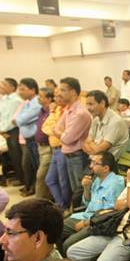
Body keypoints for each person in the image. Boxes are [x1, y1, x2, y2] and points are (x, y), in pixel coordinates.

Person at [60, 152, 125, 254]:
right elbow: (88, 203)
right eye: (91, 162)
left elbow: (109, 214)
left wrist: (86, 223)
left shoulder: (115, 184)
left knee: (68, 244)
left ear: (105, 168)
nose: (90, 166)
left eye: (95, 163)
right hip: (85, 216)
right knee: (56, 227)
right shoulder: (98, 179)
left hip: (97, 224)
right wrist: (86, 188)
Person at [52, 77, 92, 207]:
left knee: (80, 191)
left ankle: (81, 215)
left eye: (63, 90)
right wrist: (62, 133)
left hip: (78, 156)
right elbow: (56, 127)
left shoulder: (80, 113)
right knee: (75, 190)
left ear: (73, 92)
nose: (59, 93)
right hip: (69, 155)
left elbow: (67, 139)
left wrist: (61, 134)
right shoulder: (69, 109)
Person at [44, 87, 72, 209]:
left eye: (59, 96)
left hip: (63, 148)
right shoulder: (57, 110)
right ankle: (61, 204)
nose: (56, 99)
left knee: (63, 181)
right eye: (55, 96)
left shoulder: (68, 111)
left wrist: (54, 129)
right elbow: (46, 127)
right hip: (55, 149)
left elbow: (57, 129)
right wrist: (51, 114)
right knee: (50, 179)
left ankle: (64, 207)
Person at [15, 77, 42, 196]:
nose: (20, 92)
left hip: (34, 139)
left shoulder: (36, 103)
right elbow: (18, 118)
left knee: (36, 166)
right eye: (19, 89)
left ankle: (37, 190)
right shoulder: (27, 103)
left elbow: (21, 120)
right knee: (33, 165)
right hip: (28, 139)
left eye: (23, 89)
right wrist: (19, 120)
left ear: (32, 90)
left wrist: (19, 120)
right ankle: (34, 188)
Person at [83, 90, 129, 159]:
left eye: (91, 104)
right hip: (95, 160)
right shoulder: (96, 119)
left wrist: (90, 143)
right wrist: (92, 144)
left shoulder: (115, 122)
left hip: (110, 164)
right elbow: (87, 142)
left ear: (102, 103)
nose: (88, 108)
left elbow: (97, 150)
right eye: (86, 104)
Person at [0, 77, 24, 186]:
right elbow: (0, 116)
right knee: (13, 157)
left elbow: (12, 119)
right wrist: (0, 130)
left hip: (13, 131)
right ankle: (19, 177)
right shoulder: (5, 99)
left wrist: (2, 131)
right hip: (6, 132)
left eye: (4, 84)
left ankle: (23, 179)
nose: (0, 87)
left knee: (18, 156)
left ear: (12, 87)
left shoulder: (15, 100)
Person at [34, 87, 54, 200]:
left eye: (41, 96)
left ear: (49, 98)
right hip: (40, 148)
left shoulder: (52, 112)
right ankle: (45, 201)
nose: (39, 99)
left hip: (48, 148)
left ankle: (38, 202)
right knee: (44, 177)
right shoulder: (41, 111)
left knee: (41, 176)